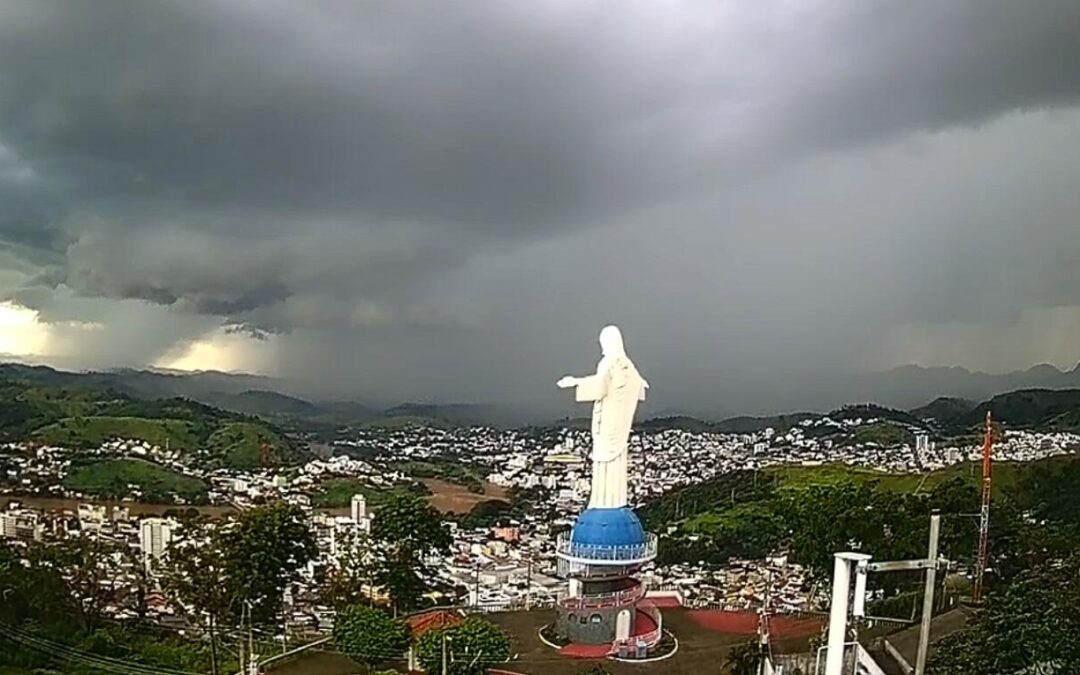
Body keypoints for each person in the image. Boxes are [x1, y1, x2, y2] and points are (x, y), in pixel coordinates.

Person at [557, 325, 647, 509]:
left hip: (608, 419)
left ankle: (602, 501)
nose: (602, 347)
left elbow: (599, 386)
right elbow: (639, 386)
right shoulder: (627, 365)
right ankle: (616, 500)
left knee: (602, 457)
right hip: (620, 421)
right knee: (616, 457)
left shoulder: (609, 362)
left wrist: (574, 381)